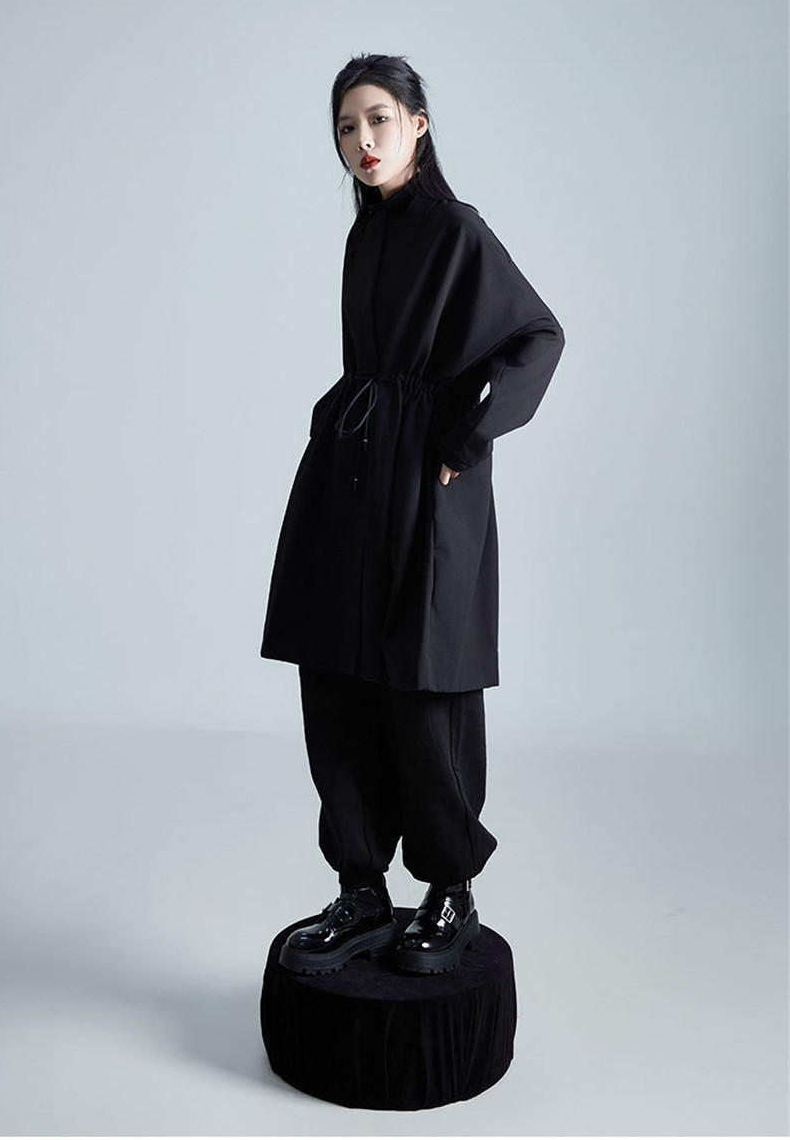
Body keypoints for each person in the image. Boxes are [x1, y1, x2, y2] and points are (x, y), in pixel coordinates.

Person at [260, 53, 565, 976]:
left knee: (426, 682)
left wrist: (465, 438)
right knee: (336, 674)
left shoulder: (455, 229)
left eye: (379, 119)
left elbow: (537, 335)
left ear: (419, 124)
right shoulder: (366, 235)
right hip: (351, 475)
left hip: (425, 485)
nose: (362, 141)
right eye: (346, 127)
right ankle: (361, 888)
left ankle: (449, 889)